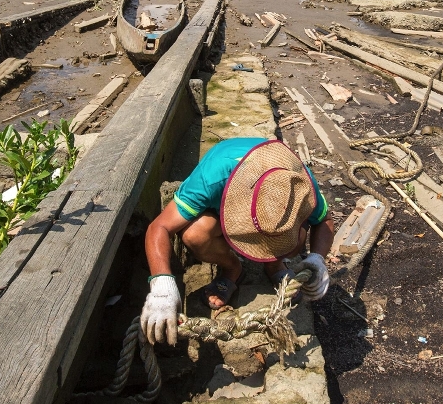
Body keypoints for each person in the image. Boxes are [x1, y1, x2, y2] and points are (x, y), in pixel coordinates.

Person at [140, 138, 333, 346]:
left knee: (298, 237)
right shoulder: (212, 178)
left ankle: (274, 263)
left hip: (269, 198)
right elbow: (159, 227)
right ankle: (232, 268)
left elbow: (324, 220)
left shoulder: (298, 180)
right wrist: (162, 286)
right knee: (195, 234)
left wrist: (317, 259)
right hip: (221, 199)